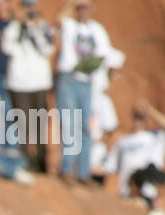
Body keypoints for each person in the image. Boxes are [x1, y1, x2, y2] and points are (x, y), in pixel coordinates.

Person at [54, 0, 111, 186]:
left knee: (85, 127)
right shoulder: (70, 25)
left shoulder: (97, 30)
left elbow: (103, 54)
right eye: (80, 7)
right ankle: (67, 169)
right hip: (68, 79)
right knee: (69, 123)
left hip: (86, 81)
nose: (83, 11)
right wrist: (71, 4)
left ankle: (83, 173)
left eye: (86, 7)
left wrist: (90, 63)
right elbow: (57, 19)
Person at [2, 1, 56, 175]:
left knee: (40, 124)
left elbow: (48, 48)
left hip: (39, 82)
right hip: (19, 83)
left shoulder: (42, 26)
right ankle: (25, 161)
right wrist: (19, 24)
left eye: (31, 7)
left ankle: (41, 162)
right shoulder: (13, 26)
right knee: (22, 124)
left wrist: (35, 28)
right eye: (25, 7)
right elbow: (6, 47)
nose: (28, 11)